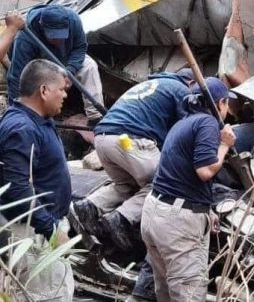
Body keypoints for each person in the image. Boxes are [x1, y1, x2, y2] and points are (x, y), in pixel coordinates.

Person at [71, 70, 193, 251]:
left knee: (125, 185)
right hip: (130, 140)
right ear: (190, 83)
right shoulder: (182, 91)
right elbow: (187, 130)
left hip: (103, 138)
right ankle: (122, 218)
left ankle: (89, 205)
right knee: (165, 184)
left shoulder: (151, 84)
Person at [141, 78, 236, 302]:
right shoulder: (208, 123)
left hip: (156, 209)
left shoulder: (183, 122)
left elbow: (181, 175)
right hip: (177, 223)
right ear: (221, 103)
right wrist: (225, 145)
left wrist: (206, 210)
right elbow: (204, 170)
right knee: (188, 294)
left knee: (165, 292)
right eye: (227, 104)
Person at [0, 59, 70, 241]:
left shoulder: (40, 119)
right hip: (33, 233)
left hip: (46, 224)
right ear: (44, 91)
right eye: (61, 90)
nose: (65, 95)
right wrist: (52, 230)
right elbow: (18, 187)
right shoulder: (22, 129)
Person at [7, 4, 104, 121]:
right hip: (42, 64)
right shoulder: (25, 37)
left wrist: (70, 71)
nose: (59, 41)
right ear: (42, 27)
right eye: (54, 37)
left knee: (89, 66)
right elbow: (16, 77)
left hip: (67, 59)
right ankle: (42, 115)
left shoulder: (73, 20)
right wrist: (16, 112)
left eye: (62, 36)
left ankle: (96, 117)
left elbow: (80, 47)